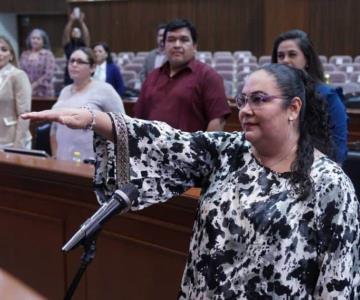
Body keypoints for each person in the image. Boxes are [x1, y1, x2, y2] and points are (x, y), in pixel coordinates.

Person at [22, 64, 360, 298]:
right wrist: (95, 119)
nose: (245, 109)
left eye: (259, 99)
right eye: (242, 100)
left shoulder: (330, 184)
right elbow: (164, 141)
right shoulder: (228, 150)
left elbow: (337, 285)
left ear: (293, 108)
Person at [134, 19, 230, 132]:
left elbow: (217, 121)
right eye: (171, 40)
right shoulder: (152, 77)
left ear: (194, 47)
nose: (177, 45)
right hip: (151, 148)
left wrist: (204, 149)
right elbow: (138, 119)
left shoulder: (209, 76)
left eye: (184, 40)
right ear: (164, 46)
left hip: (191, 149)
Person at [271, 29, 348, 164]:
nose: (285, 60)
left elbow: (338, 151)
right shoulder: (272, 96)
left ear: (307, 60)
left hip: (320, 172)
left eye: (292, 55)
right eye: (280, 56)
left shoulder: (328, 96)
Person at [50, 47, 124, 162]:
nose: (74, 64)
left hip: (92, 163)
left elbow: (121, 127)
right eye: (71, 61)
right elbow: (54, 128)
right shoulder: (64, 91)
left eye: (80, 61)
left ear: (93, 67)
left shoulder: (105, 90)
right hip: (62, 161)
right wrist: (55, 154)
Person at [0, 36, 32, 149]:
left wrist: (18, 146)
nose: (0, 53)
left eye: (4, 49)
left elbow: (24, 114)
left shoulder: (18, 75)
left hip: (12, 141)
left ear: (11, 55)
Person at [20, 28, 55, 97]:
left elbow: (48, 74)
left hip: (44, 91)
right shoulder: (24, 54)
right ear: (29, 40)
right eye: (33, 38)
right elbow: (21, 71)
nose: (35, 40)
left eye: (38, 39)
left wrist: (33, 85)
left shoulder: (48, 54)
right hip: (26, 89)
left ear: (43, 41)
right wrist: (27, 85)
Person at [62, 9, 90, 86]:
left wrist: (81, 22)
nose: (75, 32)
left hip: (82, 70)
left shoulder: (83, 44)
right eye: (73, 31)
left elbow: (86, 35)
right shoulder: (68, 44)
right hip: (69, 72)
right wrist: (71, 21)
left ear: (81, 34)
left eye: (78, 31)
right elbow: (65, 34)